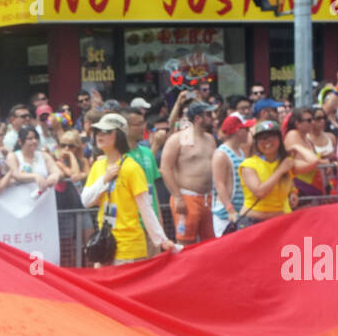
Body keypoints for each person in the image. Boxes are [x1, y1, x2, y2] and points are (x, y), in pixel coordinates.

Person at [80, 114, 175, 266]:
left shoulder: (132, 168)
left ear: (119, 136)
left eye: (106, 132)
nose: (100, 135)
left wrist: (162, 240)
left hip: (129, 249)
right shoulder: (98, 166)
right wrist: (104, 179)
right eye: (98, 131)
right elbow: (86, 200)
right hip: (104, 246)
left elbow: (146, 208)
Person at [160, 100, 218, 245]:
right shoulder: (178, 139)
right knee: (186, 242)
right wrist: (177, 196)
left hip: (208, 198)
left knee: (210, 242)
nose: (213, 117)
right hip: (187, 197)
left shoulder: (210, 139)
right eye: (209, 114)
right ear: (198, 118)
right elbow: (165, 168)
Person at [238, 120, 295, 224]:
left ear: (280, 139)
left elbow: (313, 161)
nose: (267, 141)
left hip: (279, 221)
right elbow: (260, 192)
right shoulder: (249, 164)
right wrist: (280, 170)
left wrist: (296, 147)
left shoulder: (286, 162)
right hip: (252, 222)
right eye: (262, 138)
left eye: (271, 136)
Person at [211, 115, 249, 237]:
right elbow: (219, 183)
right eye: (245, 130)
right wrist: (230, 209)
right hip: (226, 212)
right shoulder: (221, 154)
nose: (248, 133)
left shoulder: (240, 152)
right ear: (238, 131)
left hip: (239, 211)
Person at [6, 125, 62, 197]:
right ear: (20, 141)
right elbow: (16, 174)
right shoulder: (13, 156)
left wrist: (54, 176)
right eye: (30, 139)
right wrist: (35, 176)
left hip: (44, 198)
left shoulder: (44, 155)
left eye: (36, 138)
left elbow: (56, 171)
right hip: (20, 199)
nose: (34, 141)